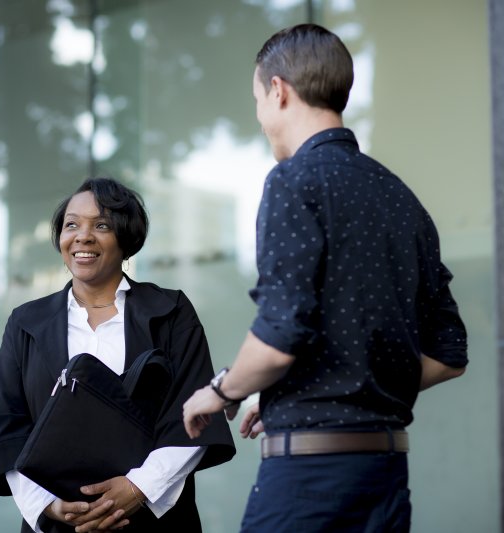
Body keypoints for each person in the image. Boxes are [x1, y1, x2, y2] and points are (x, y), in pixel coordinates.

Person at [182, 23, 468, 532]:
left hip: (306, 481)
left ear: (278, 91)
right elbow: (449, 353)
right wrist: (310, 400)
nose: (260, 117)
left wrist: (219, 391)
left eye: (257, 99)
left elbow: (277, 339)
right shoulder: (402, 199)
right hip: (384, 477)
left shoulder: (293, 181)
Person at [0, 177, 235, 533]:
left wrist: (138, 488)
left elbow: (192, 413)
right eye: (71, 225)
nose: (82, 236)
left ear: (126, 239)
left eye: (101, 225)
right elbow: (6, 422)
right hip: (61, 522)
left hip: (154, 521)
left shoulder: (169, 311)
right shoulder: (27, 323)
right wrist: (48, 505)